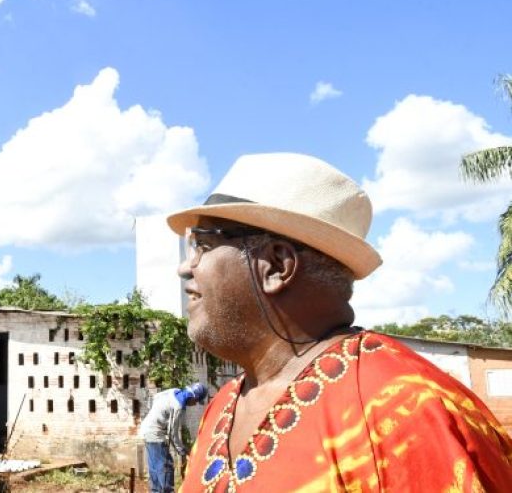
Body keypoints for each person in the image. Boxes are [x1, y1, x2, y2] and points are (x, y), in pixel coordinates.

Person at [165, 153, 512, 492]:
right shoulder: (224, 403)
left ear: (274, 266)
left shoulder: (407, 409)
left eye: (204, 245)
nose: (185, 266)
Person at [140, 383, 208, 493]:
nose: (195, 405)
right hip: (156, 435)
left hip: (146, 430)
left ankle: (156, 491)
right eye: (196, 402)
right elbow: (173, 433)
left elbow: (156, 397)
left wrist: (158, 415)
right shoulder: (178, 406)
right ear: (193, 397)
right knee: (166, 467)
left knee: (155, 469)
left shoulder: (173, 391)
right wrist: (183, 451)